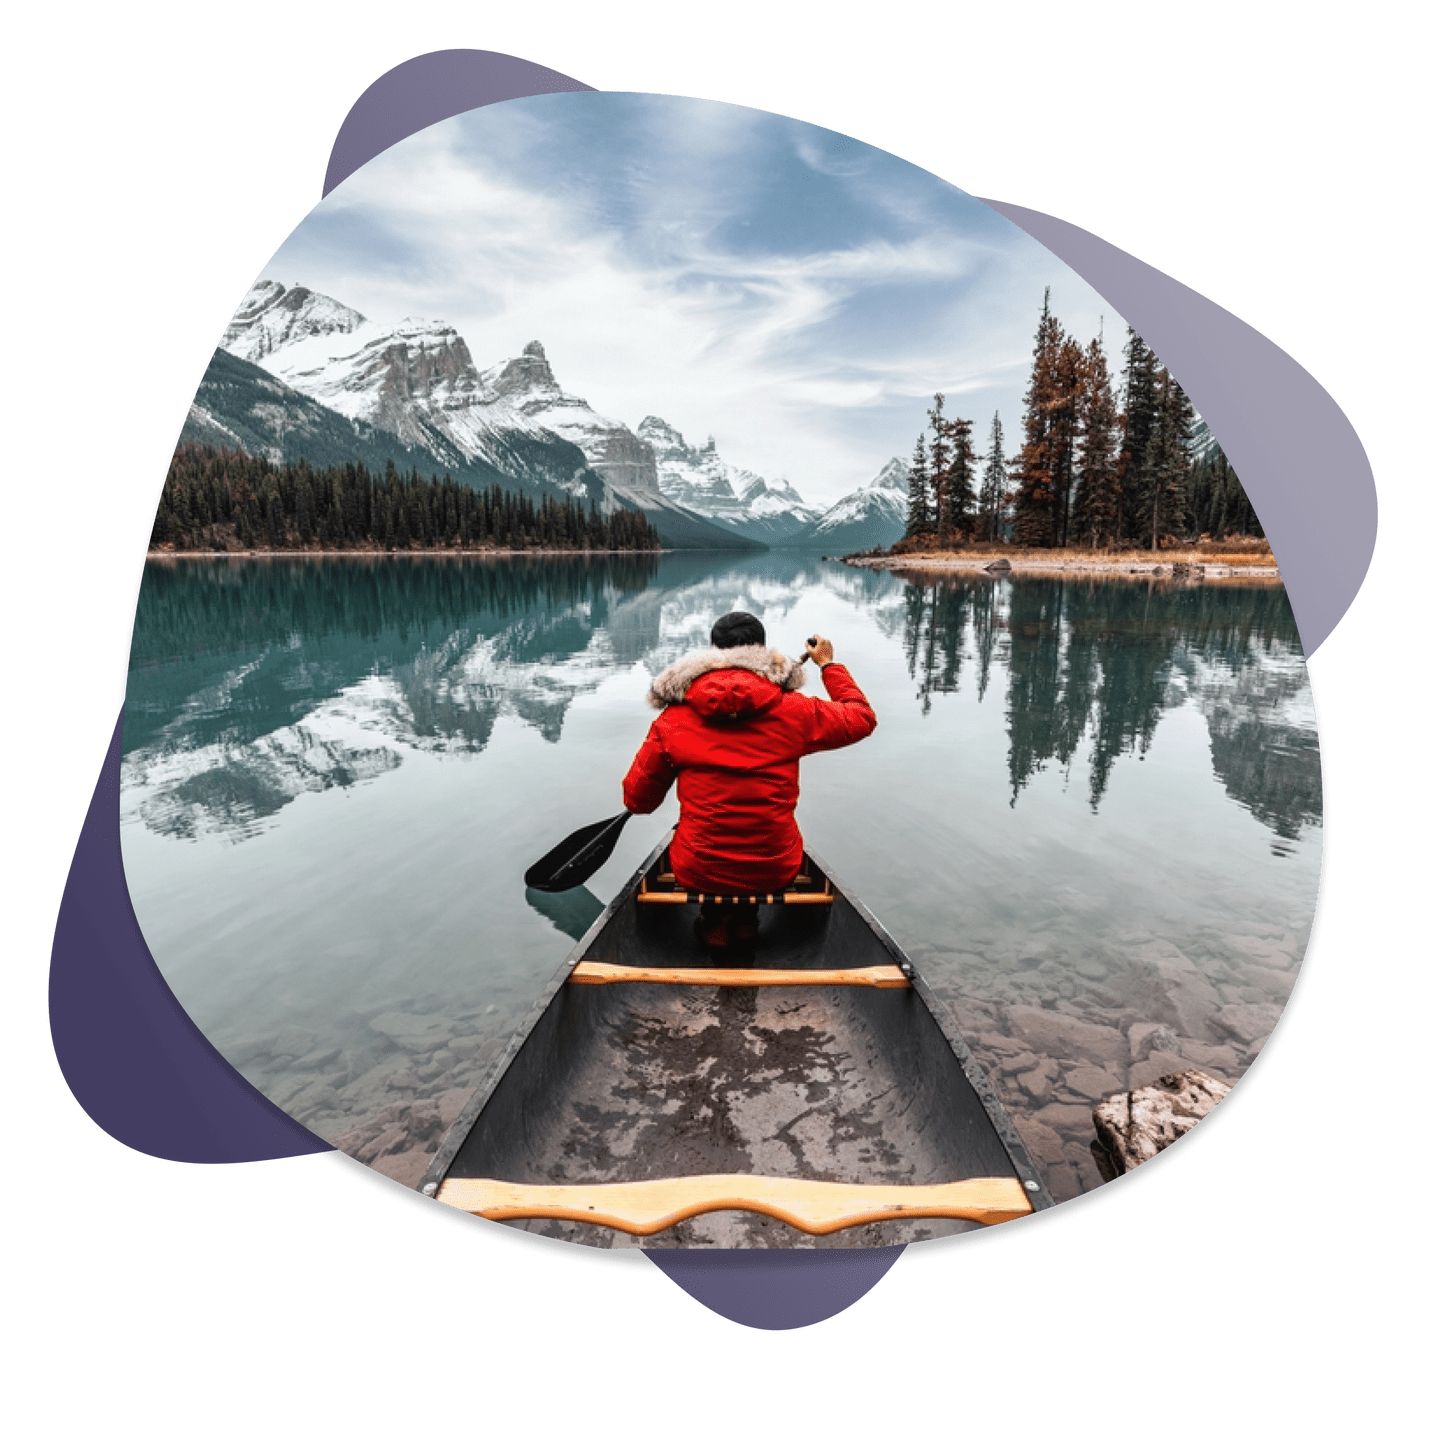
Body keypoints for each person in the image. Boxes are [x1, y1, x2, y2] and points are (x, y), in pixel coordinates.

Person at [622, 610, 877, 948]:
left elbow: (638, 801)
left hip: (698, 867)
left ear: (714, 653)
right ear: (761, 650)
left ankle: (713, 926)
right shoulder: (795, 711)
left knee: (698, 855)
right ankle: (745, 925)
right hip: (775, 865)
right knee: (760, 862)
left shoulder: (673, 720)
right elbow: (861, 717)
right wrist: (829, 665)